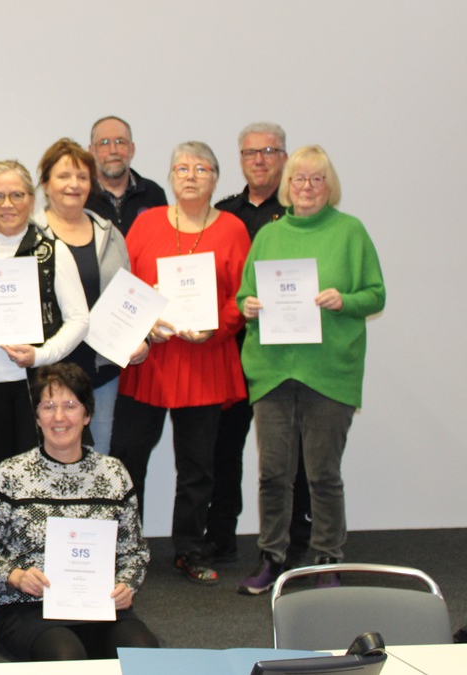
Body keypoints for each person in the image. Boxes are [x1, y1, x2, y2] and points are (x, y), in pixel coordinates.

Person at [236, 145, 385, 594]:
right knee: (273, 475)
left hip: (329, 371)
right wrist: (251, 306)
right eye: (299, 179)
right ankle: (273, 557)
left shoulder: (350, 232)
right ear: (287, 185)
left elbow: (375, 295)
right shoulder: (269, 235)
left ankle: (327, 559)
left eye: (316, 179)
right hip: (275, 371)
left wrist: (346, 300)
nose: (306, 187)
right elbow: (245, 297)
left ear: (328, 186)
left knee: (323, 474)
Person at [109, 141, 250, 585]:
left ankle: (188, 547)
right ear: (170, 177)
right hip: (150, 360)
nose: (190, 175)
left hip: (204, 362)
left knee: (197, 467)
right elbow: (125, 284)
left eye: (201, 168)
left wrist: (218, 327)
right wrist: (142, 321)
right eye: (181, 168)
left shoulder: (231, 228)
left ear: (215, 178)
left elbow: (242, 295)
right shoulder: (147, 222)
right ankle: (121, 548)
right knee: (129, 458)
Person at [0, 363, 158, 661]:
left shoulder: (114, 474)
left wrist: (126, 586)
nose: (59, 417)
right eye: (49, 406)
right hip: (28, 606)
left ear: (87, 414)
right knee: (66, 656)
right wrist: (15, 576)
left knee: (144, 652)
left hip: (101, 605)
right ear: (37, 416)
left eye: (70, 405)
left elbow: (135, 553)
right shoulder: (10, 475)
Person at [0, 159, 89, 488]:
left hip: (37, 387)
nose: (7, 205)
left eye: (16, 195)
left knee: (42, 479)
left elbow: (80, 320)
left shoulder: (53, 253)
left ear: (31, 200)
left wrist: (40, 355)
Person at [209, 122, 311, 567]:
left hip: (284, 352)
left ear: (284, 157)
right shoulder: (224, 213)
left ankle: (298, 535)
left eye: (269, 151)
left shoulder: (298, 213)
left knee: (294, 452)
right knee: (224, 449)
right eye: (251, 152)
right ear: (241, 159)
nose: (260, 159)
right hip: (232, 349)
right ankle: (222, 537)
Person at [33, 138, 150, 456]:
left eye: (82, 177)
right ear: (45, 183)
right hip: (45, 370)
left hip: (100, 371)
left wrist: (140, 340)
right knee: (44, 459)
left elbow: (129, 297)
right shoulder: (28, 235)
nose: (73, 184)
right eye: (63, 176)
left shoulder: (109, 233)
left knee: (97, 459)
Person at [85, 116, 168, 236]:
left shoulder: (153, 193)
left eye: (120, 142)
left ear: (132, 149)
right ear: (92, 152)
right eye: (104, 143)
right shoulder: (82, 196)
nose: (113, 150)